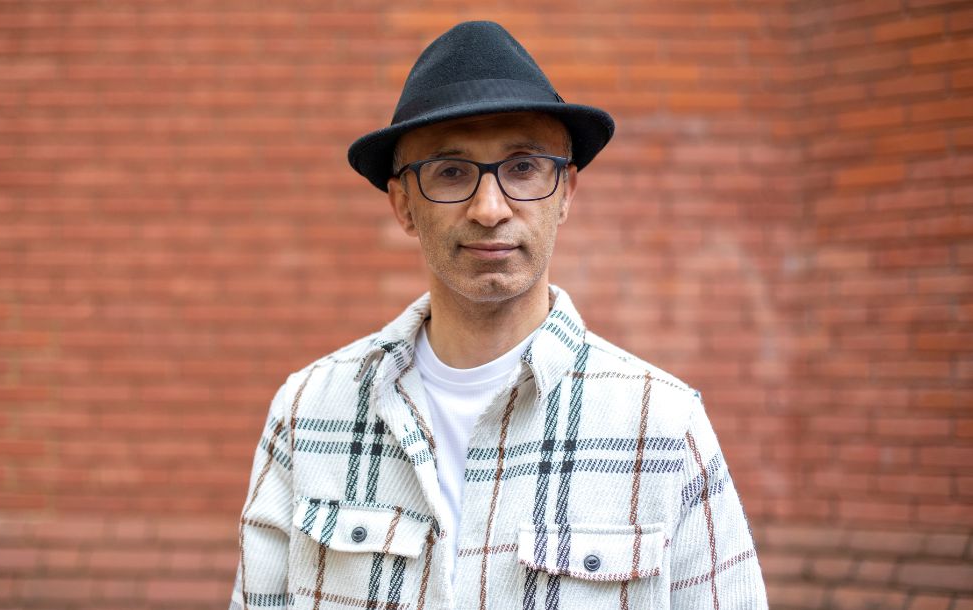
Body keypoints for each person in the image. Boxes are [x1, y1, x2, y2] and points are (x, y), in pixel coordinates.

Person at [229, 20, 767, 610]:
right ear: (403, 205)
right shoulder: (307, 413)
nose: (490, 209)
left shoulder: (661, 426)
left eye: (522, 167)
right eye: (452, 172)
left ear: (566, 193)